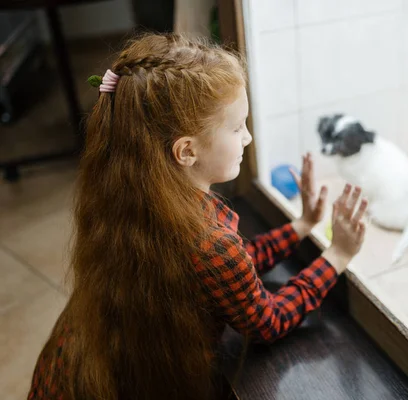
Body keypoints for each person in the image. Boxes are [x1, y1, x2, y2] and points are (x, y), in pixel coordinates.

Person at [27, 33, 367, 400]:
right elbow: (266, 322)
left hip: (78, 359)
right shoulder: (209, 241)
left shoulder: (132, 197)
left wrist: (300, 227)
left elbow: (231, 269)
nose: (249, 138)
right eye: (237, 127)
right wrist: (338, 256)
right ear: (186, 151)